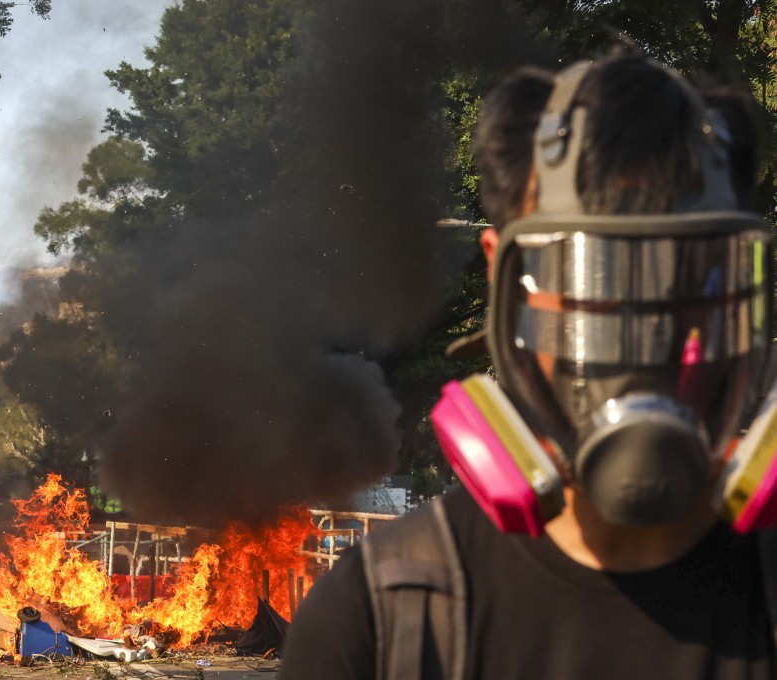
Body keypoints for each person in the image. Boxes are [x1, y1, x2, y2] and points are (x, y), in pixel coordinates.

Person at [281, 50, 776, 679]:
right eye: (590, 268)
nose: (643, 323)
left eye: (689, 270)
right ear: (505, 277)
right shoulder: (375, 625)